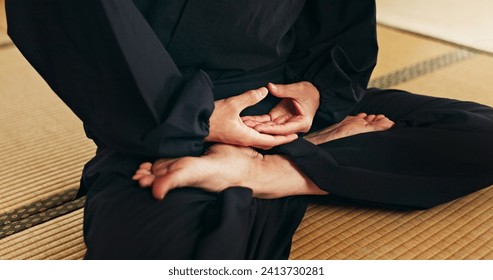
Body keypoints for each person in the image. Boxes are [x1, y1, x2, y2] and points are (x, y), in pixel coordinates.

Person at [6, 0, 493, 259]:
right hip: (161, 115)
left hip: (286, 98)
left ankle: (272, 173)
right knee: (159, 255)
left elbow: (336, 21)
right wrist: (193, 116)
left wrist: (318, 93)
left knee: (480, 132)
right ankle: (311, 166)